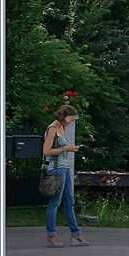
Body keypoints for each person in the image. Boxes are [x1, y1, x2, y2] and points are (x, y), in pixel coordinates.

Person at [42, 104, 88, 248]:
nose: (71, 121)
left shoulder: (63, 128)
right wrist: (65, 149)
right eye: (70, 118)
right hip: (56, 169)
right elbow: (46, 151)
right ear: (63, 115)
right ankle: (51, 235)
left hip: (65, 168)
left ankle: (76, 234)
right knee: (55, 202)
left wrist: (69, 149)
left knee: (70, 201)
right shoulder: (52, 129)